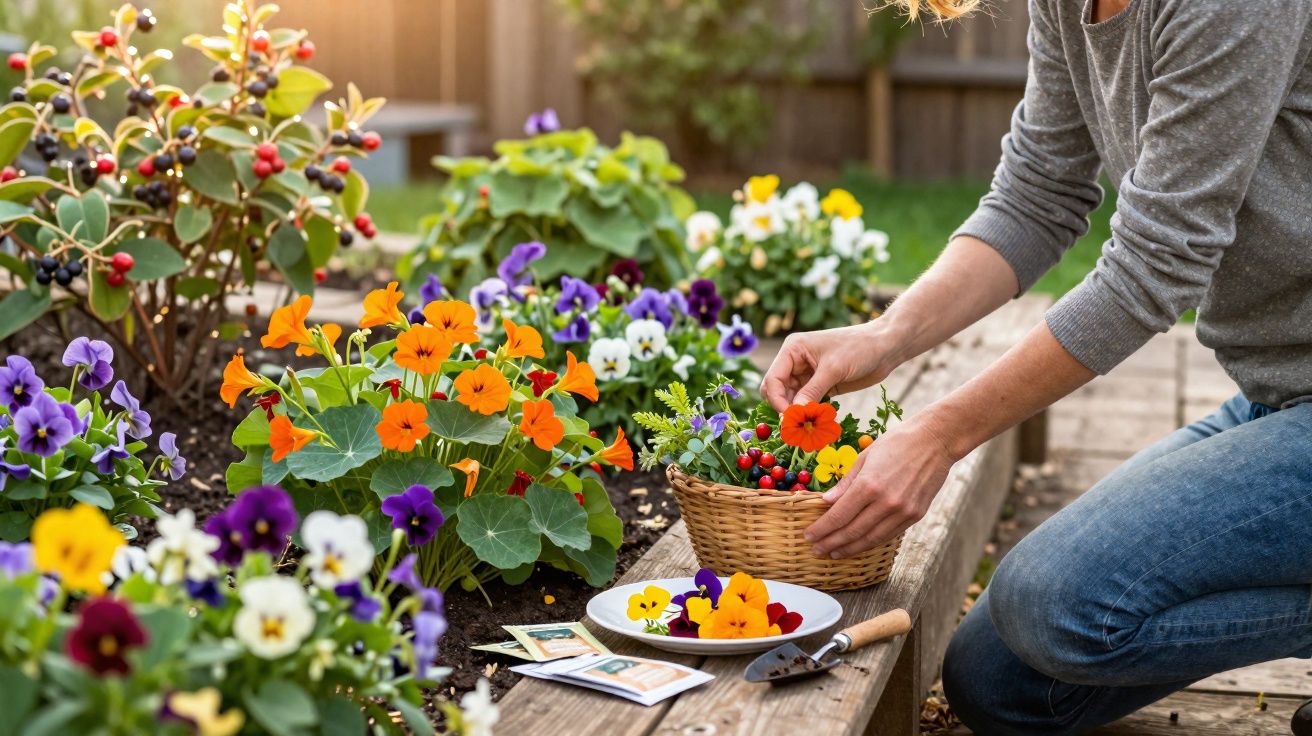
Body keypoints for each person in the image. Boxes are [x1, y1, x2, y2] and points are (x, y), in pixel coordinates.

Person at [760, 0, 1312, 732]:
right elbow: (1038, 192)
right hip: (1282, 393)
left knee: (1052, 604)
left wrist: (939, 436)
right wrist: (887, 335)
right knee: (1000, 682)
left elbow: (1155, 264)